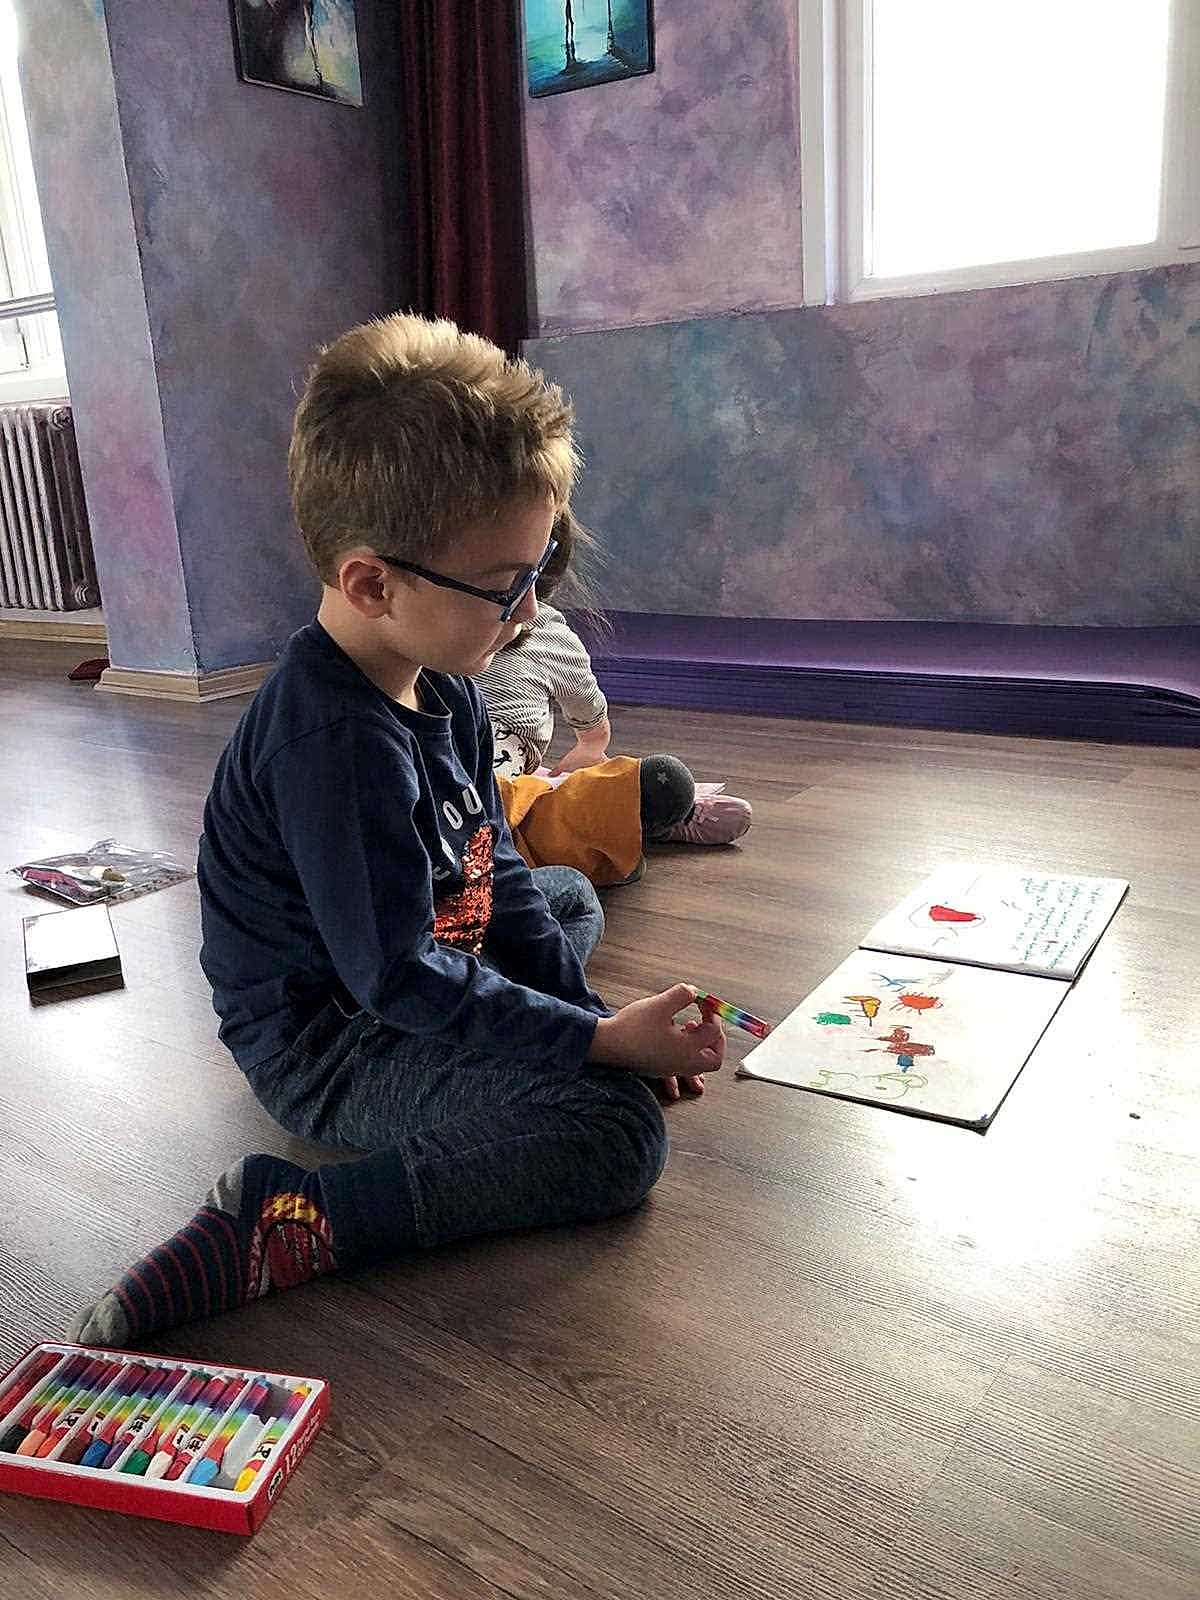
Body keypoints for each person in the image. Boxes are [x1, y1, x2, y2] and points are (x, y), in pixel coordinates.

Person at [68, 313, 727, 1348]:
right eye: (508, 588)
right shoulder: (334, 746)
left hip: (400, 963)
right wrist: (600, 1052)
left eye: (541, 572)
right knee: (616, 1135)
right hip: (333, 1044)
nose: (530, 613)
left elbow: (501, 873)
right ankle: (290, 1219)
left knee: (563, 899)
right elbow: (397, 978)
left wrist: (590, 1022)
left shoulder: (444, 680)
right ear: (373, 583)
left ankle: (546, 1037)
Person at [477, 508, 753, 887]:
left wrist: (585, 756)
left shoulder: (535, 631)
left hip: (491, 795)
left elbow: (589, 722)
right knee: (540, 807)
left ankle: (629, 808)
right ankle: (628, 814)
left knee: (543, 795)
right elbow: (591, 723)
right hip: (478, 812)